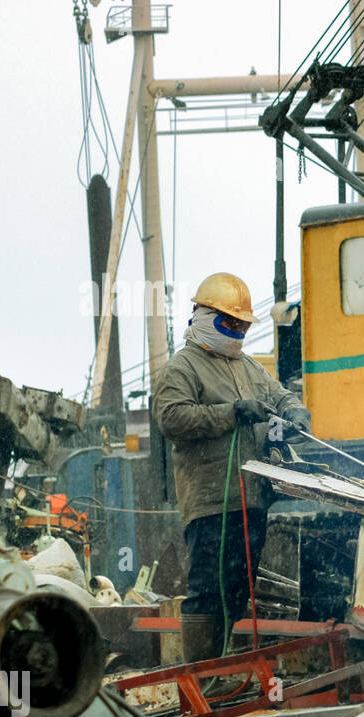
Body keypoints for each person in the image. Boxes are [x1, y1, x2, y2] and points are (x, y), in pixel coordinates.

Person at [152, 272, 312, 662]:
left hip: (251, 499)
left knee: (237, 590)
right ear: (204, 317)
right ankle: (200, 677)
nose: (238, 331)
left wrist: (294, 412)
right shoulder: (183, 368)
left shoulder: (248, 367)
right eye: (230, 323)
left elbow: (279, 393)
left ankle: (218, 670)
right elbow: (172, 418)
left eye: (242, 325)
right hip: (211, 503)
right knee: (209, 589)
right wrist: (231, 413)